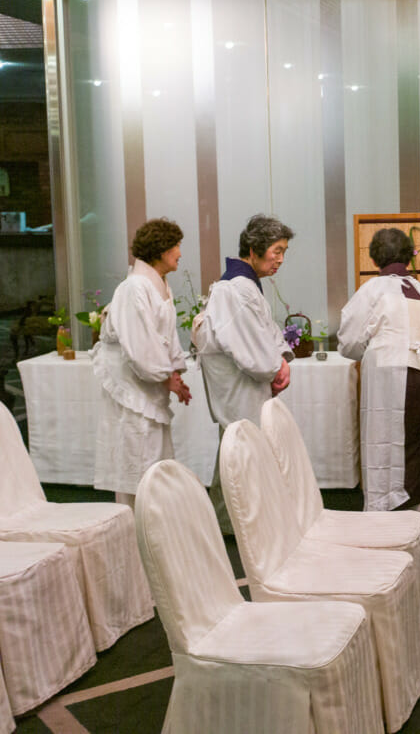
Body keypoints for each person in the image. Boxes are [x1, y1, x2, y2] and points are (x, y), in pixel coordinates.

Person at [193, 214, 295, 529]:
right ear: (253, 248)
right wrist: (275, 365)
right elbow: (249, 348)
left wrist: (281, 358)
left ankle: (229, 523)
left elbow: (266, 334)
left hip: (247, 386)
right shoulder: (234, 288)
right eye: (276, 250)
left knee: (239, 454)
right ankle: (234, 526)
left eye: (283, 252)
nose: (280, 259)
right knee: (241, 455)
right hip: (240, 388)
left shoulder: (245, 285)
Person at [338, 227, 420, 512]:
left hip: (387, 370)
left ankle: (385, 505)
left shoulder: (373, 289)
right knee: (412, 436)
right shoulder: (419, 289)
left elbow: (349, 340)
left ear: (374, 259)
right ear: (408, 256)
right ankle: (413, 502)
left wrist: (367, 352)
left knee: (383, 435)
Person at [92, 217, 192, 507]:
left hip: (150, 386)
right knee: (135, 463)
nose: (180, 253)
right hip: (134, 389)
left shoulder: (159, 285)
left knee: (154, 464)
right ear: (161, 250)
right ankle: (133, 539)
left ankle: (155, 531)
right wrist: (165, 375)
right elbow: (140, 345)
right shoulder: (133, 287)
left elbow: (165, 337)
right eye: (176, 246)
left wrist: (174, 373)